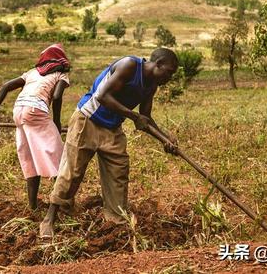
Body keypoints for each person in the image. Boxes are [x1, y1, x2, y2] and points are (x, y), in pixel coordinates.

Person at [39, 47, 179, 238]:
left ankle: (116, 222)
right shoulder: (129, 65)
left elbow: (145, 118)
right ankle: (49, 219)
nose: (169, 77)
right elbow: (102, 96)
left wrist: (165, 139)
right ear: (158, 64)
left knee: (118, 173)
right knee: (72, 172)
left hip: (112, 127)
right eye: (169, 72)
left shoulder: (151, 85)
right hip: (88, 119)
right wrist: (132, 115)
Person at [0, 43, 71, 210]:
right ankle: (61, 205)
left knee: (29, 158)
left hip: (18, 112)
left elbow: (5, 86)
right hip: (36, 111)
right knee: (58, 156)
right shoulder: (61, 75)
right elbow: (56, 96)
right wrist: (56, 123)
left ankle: (33, 206)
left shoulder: (32, 73)